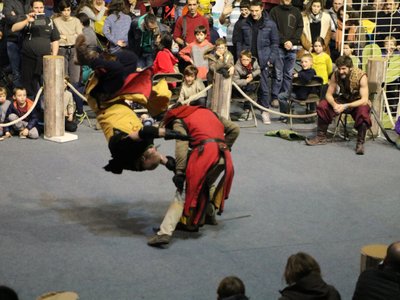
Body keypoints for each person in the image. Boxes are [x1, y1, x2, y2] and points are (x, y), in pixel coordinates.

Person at [74, 34, 190, 173]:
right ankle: (102, 61)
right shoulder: (147, 156)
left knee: (116, 69)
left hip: (104, 102)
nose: (154, 149)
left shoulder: (124, 149)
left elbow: (145, 132)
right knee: (131, 59)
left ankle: (86, 59)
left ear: (142, 158)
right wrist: (178, 171)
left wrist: (172, 134)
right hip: (116, 99)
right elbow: (161, 158)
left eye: (152, 151)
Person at [147, 104, 240, 247]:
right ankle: (206, 217)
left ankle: (164, 233)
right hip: (223, 157)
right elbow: (235, 129)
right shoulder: (209, 112)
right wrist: (224, 146)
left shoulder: (179, 120)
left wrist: (179, 172)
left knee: (184, 190)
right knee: (206, 185)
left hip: (205, 155)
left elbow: (181, 146)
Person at [305, 55, 371, 155]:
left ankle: (360, 143)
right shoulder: (335, 75)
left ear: (350, 67)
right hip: (343, 98)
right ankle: (321, 137)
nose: (341, 71)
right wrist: (334, 104)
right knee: (323, 105)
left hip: (357, 101)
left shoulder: (361, 76)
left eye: (344, 69)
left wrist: (346, 106)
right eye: (339, 68)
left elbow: (364, 100)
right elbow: (328, 94)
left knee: (363, 112)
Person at [237, 0, 279, 124]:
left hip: (264, 60)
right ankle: (247, 109)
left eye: (256, 10)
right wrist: (241, 57)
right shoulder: (244, 23)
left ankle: (265, 111)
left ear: (262, 8)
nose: (254, 13)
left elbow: (275, 43)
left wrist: (271, 59)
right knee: (247, 85)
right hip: (248, 60)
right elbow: (239, 42)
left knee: (264, 87)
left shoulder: (270, 24)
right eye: (252, 11)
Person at [11, 0, 60, 99]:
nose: (39, 10)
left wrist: (54, 56)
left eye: (41, 7)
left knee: (47, 85)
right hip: (28, 58)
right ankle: (31, 110)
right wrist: (27, 20)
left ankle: (44, 109)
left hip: (45, 59)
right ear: (32, 8)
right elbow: (13, 28)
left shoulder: (49, 21)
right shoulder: (26, 18)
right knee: (28, 85)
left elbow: (55, 39)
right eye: (36, 8)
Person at [270, 0, 303, 113]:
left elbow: (300, 28)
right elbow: (273, 29)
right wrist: (284, 41)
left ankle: (285, 96)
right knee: (278, 74)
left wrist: (292, 42)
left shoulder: (296, 11)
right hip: (279, 47)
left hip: (292, 48)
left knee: (288, 74)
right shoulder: (274, 11)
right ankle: (275, 97)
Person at [277, 53, 316, 123]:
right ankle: (288, 111)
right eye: (302, 62)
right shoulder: (303, 71)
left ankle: (285, 114)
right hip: (304, 94)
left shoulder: (311, 72)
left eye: (306, 62)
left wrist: (298, 74)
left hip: (302, 95)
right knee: (284, 94)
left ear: (311, 63)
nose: (303, 64)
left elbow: (307, 78)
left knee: (281, 96)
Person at [53, 0, 83, 85]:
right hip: (61, 49)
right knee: (62, 77)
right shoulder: (56, 21)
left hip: (74, 49)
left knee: (75, 79)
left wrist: (65, 37)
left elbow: (79, 36)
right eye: (64, 10)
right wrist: (72, 36)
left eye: (68, 10)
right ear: (60, 11)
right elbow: (57, 37)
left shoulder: (76, 21)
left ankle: (73, 97)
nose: (66, 12)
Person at [3, 0, 31, 88]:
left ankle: (27, 94)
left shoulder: (29, 1)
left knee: (26, 69)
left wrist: (16, 16)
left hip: (27, 39)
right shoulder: (9, 1)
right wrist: (26, 17)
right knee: (16, 71)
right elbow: (9, 19)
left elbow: (36, 17)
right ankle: (17, 94)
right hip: (13, 39)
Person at [232, 49, 261, 121]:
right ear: (240, 59)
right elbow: (235, 81)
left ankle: (248, 109)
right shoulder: (237, 67)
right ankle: (247, 110)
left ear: (250, 59)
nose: (245, 62)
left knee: (253, 87)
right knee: (249, 90)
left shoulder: (254, 62)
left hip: (251, 84)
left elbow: (258, 70)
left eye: (247, 60)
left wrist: (253, 74)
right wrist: (246, 81)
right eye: (243, 60)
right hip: (240, 88)